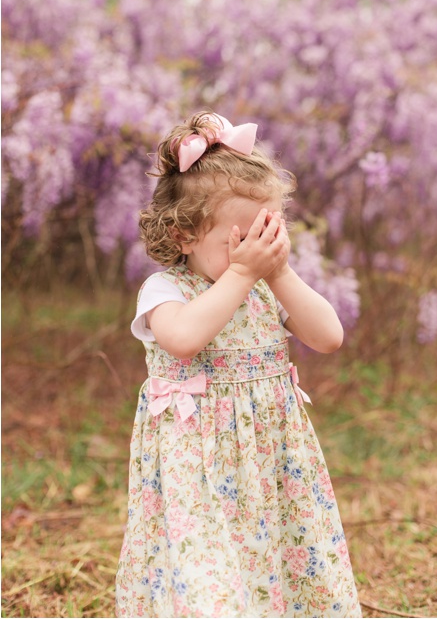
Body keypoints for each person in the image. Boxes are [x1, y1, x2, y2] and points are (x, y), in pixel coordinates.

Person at [116, 111, 362, 617]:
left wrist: (280, 272)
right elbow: (184, 339)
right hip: (197, 468)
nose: (257, 250)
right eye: (241, 239)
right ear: (185, 236)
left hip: (272, 463)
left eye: (268, 232)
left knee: (278, 564)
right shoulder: (165, 290)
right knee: (209, 580)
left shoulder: (265, 289)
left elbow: (329, 336)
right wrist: (245, 274)